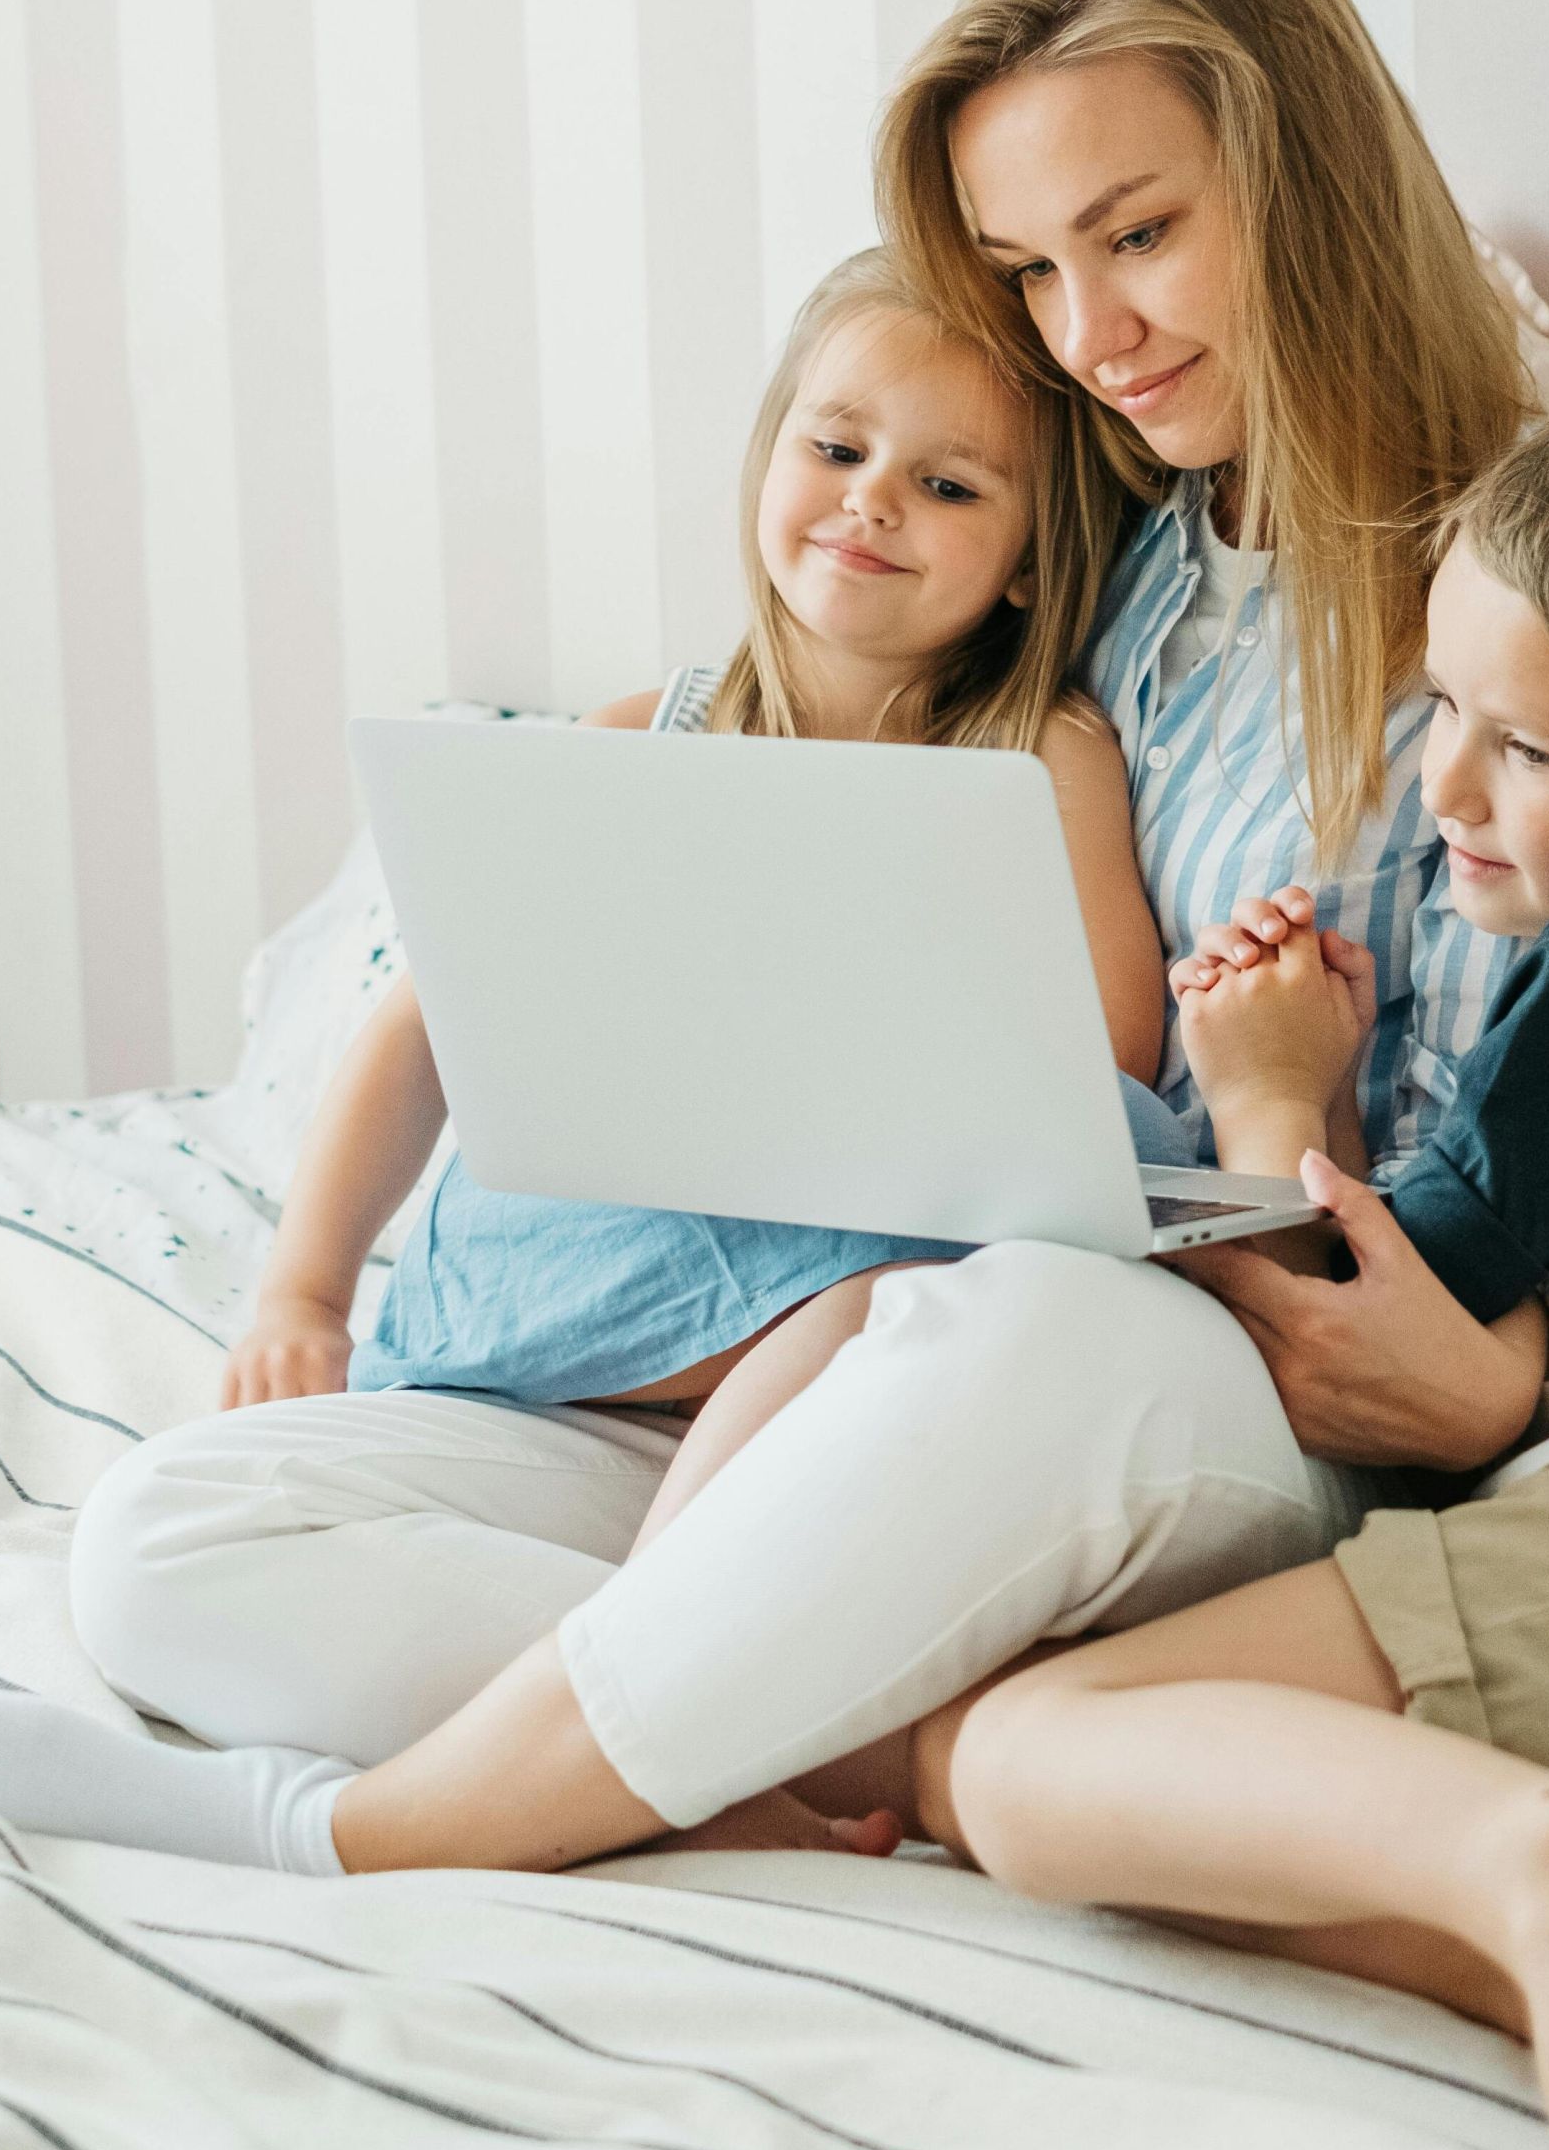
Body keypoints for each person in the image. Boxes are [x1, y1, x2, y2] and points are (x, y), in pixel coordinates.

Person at [26, 0, 1535, 1847]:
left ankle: (372, 1829)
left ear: (1305, 173)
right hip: (838, 1413)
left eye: (1139, 234)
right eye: (1031, 269)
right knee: (167, 1539)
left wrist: (1487, 1385)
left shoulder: (1517, 591)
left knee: (1011, 1316)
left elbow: (1545, 1113)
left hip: (1169, 1363)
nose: (1091, 339)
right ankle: (884, 1743)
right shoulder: (1146, 550)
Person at [919, 393, 1549, 2150]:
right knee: (1127, 1805)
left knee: (1014, 1752)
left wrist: (1271, 1093)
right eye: (1442, 709)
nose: (1442, 793)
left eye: (1530, 749)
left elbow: (1375, 1298)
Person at [223, 243, 1167, 1524]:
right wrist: (304, 1295)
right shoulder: (637, 741)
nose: (873, 499)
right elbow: (429, 1026)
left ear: (1026, 563)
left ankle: (637, 1656)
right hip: (552, 1368)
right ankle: (587, 1676)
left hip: (833, 1347)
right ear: (770, 461)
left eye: (946, 484)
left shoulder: (1039, 754)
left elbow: (1104, 1058)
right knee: (177, 1536)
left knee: (1012, 1221)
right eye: (837, 451)